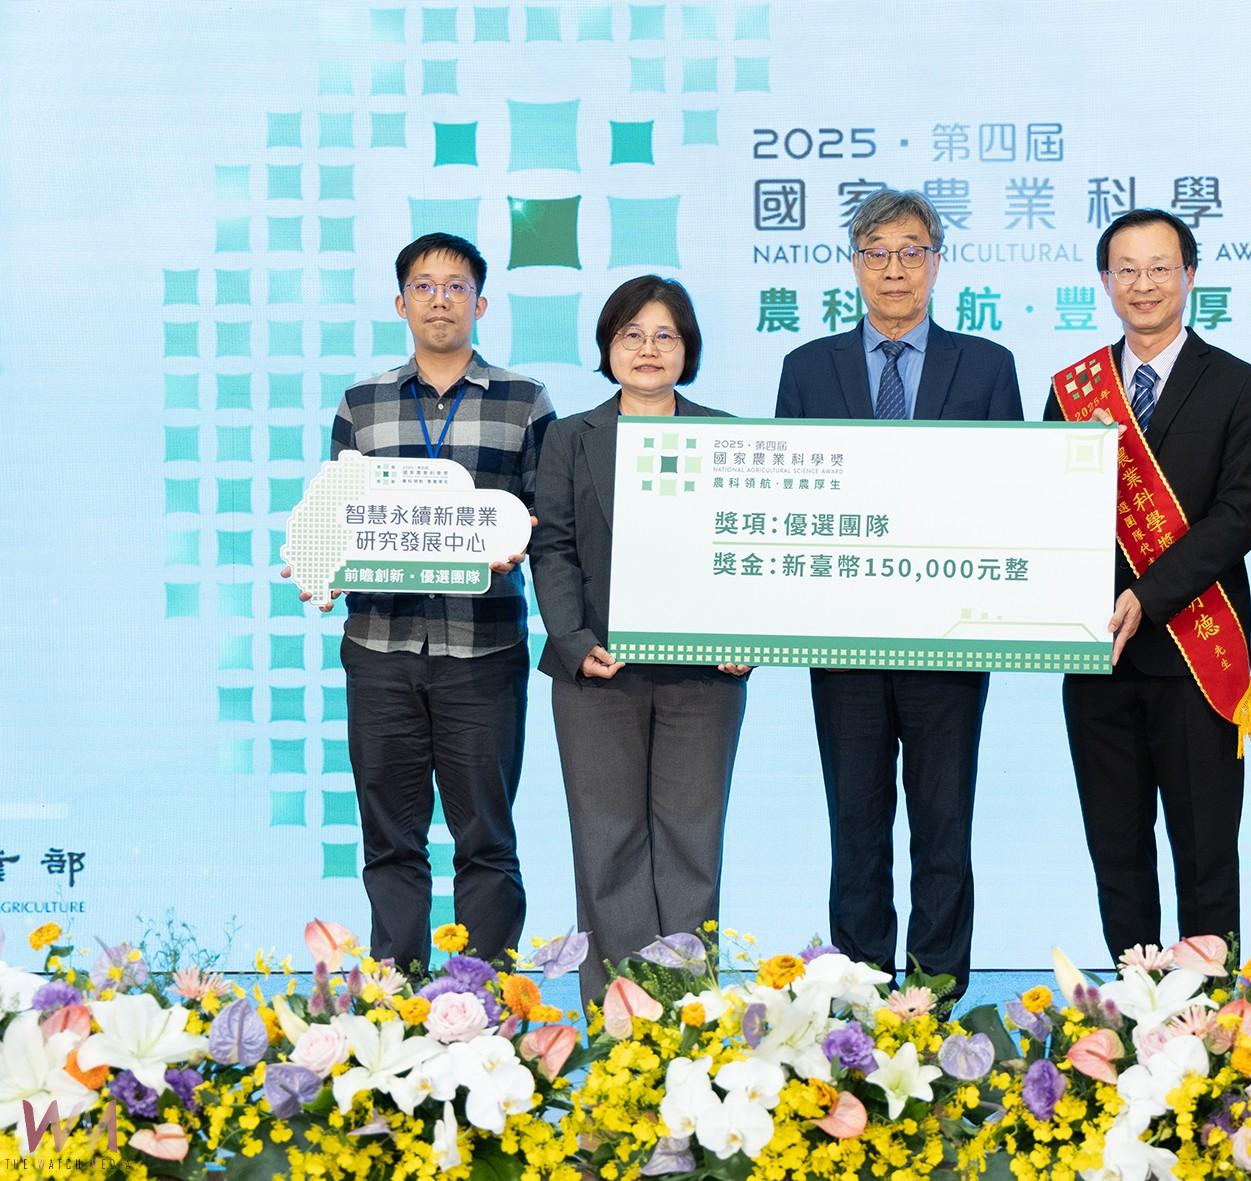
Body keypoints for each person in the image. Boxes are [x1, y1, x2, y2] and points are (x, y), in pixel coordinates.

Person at [774, 189, 1021, 1000]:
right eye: (876, 252)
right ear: (853, 264)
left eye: (911, 251)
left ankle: (935, 999)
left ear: (937, 262)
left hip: (950, 636)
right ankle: (857, 998)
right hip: (842, 638)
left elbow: (1013, 498)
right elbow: (785, 502)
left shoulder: (987, 367)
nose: (894, 269)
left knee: (945, 827)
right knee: (856, 825)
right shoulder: (806, 368)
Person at [1045, 208, 1251, 962]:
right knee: (1116, 848)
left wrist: (1146, 595)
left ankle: (1212, 1012)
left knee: (1206, 848)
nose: (1143, 285)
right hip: (1098, 655)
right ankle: (1133, 1006)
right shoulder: (1073, 389)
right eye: (1127, 270)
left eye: (1160, 268)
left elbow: (1239, 514)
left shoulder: (1240, 384)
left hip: (1196, 652)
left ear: (1189, 276)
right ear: (1105, 281)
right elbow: (1049, 515)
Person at [325, 232, 554, 968]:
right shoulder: (361, 404)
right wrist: (321, 563)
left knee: (486, 836)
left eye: (457, 287)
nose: (440, 299)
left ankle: (486, 999)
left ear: (480, 304)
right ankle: (395, 998)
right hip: (380, 645)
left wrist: (518, 536)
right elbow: (339, 516)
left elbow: (546, 516)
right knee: (390, 837)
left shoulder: (524, 401)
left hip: (483, 645)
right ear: (401, 304)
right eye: (423, 286)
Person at [530, 276, 749, 1009]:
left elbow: (749, 548)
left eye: (664, 335)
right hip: (598, 673)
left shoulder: (729, 435)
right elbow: (552, 548)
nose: (648, 349)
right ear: (608, 346)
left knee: (692, 846)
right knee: (608, 846)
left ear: (688, 349)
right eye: (631, 334)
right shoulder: (569, 437)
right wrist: (573, 640)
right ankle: (622, 1022)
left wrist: (746, 635)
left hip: (703, 677)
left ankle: (687, 1020)